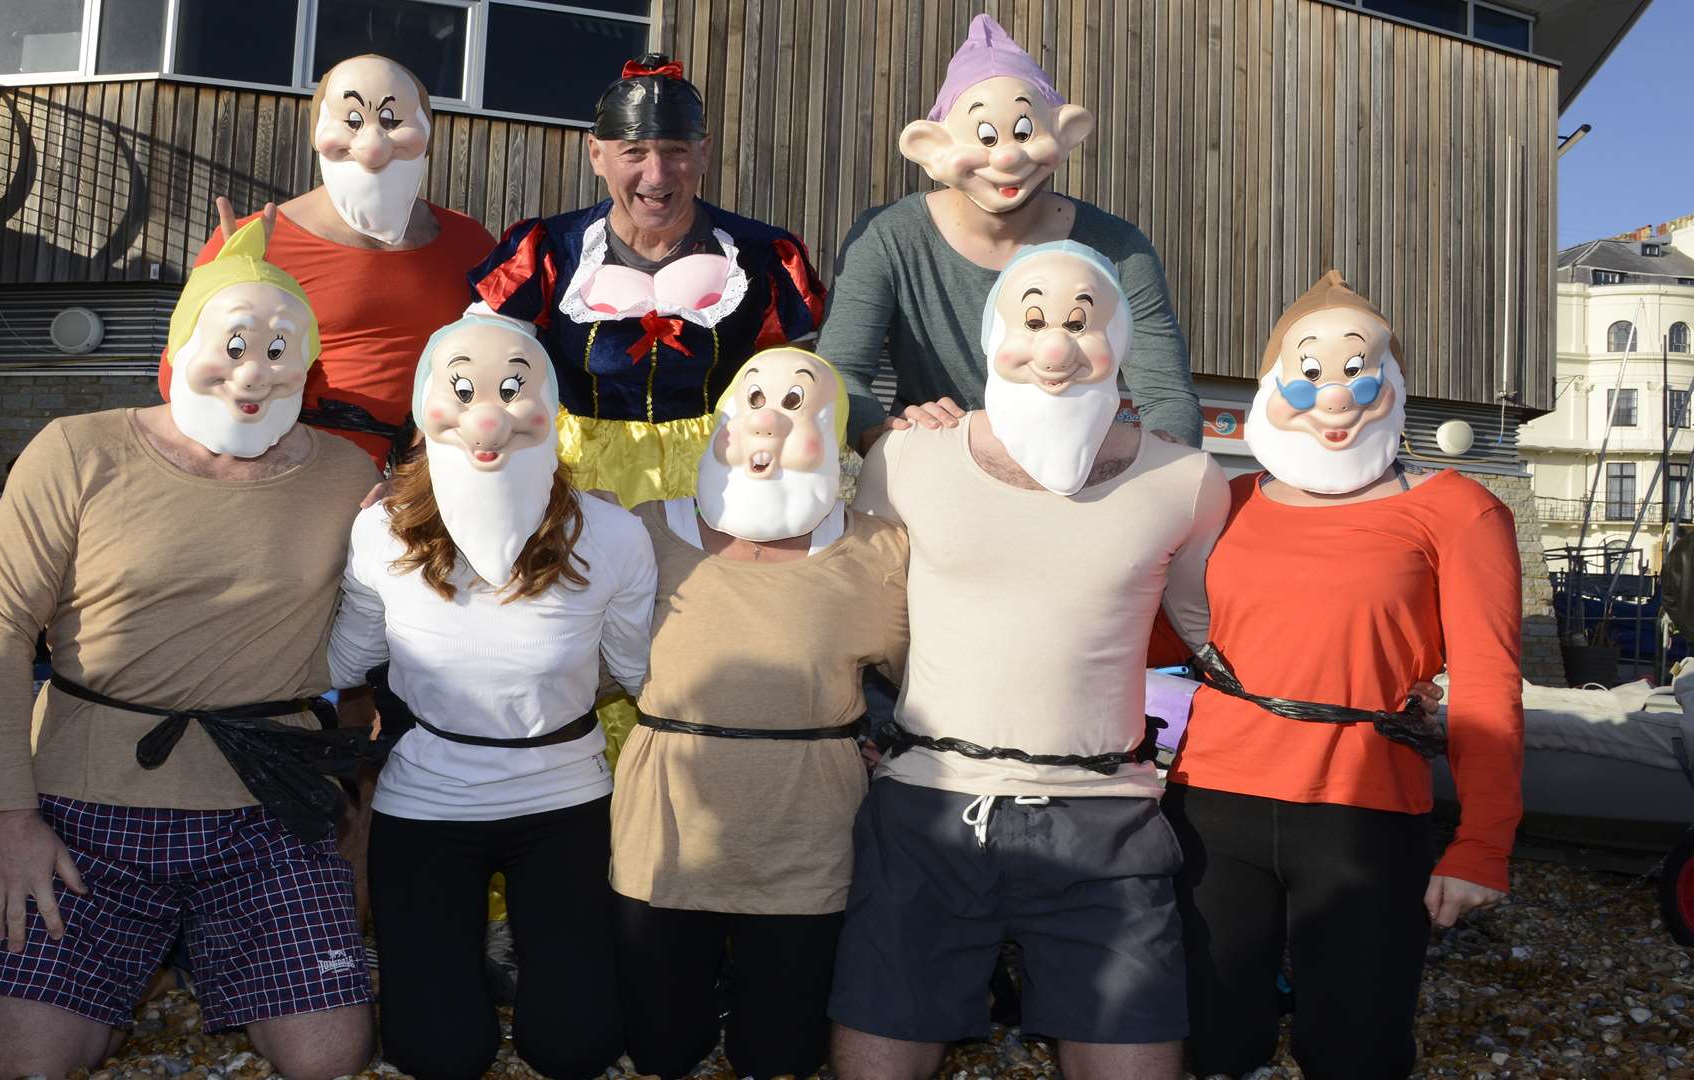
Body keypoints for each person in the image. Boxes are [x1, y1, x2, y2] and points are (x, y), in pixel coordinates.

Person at [0, 220, 379, 1080]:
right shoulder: (77, 450)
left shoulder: (347, 477)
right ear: (182, 340)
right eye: (232, 342)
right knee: (22, 1063)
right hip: (84, 808)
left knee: (332, 1057)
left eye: (278, 347)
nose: (252, 369)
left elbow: (426, 605)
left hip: (269, 808)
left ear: (309, 364)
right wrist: (6, 816)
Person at [828, 242, 1229, 1080]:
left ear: (1118, 336)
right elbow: (871, 619)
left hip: (1107, 821)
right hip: (928, 808)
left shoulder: (1186, 478)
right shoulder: (904, 458)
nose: (1055, 344)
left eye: (1082, 321)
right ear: (991, 333)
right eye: (1032, 318)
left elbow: (1217, 635)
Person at [1163, 271, 1524, 1079]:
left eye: (1358, 367)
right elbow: (1131, 629)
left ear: (1392, 379)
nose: (1334, 393)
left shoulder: (1458, 510)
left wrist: (1482, 845)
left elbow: (1492, 689)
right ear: (1271, 381)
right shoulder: (1223, 501)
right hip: (1214, 807)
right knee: (1211, 1037)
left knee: (1356, 1047)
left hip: (1367, 813)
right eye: (1309, 369)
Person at [328, 314, 657, 1080]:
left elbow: (639, 673)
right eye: (464, 387)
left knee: (574, 1048)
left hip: (563, 800)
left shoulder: (609, 536)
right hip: (427, 803)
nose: (489, 414)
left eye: (513, 389)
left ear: (548, 405)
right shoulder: (381, 533)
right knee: (440, 1054)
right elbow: (350, 656)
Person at [610, 347, 907, 1080]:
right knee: (660, 1051)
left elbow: (925, 677)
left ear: (832, 432)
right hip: (669, 826)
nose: (768, 421)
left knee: (780, 1056)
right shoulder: (642, 532)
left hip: (806, 829)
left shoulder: (878, 552)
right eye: (752, 401)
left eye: (797, 405)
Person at [819, 14, 1202, 453]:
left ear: (1064, 131)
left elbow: (1166, 395)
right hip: (937, 461)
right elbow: (841, 374)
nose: (1005, 156)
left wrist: (1160, 460)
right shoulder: (887, 238)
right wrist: (879, 431)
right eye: (984, 136)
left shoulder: (1117, 249)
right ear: (932, 148)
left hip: (1076, 467)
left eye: (1024, 131)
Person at [470, 54, 826, 509]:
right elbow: (470, 367)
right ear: (597, 154)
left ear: (704, 152)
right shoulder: (547, 251)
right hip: (570, 487)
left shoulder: (764, 256)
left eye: (676, 150)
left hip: (725, 485)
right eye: (634, 152)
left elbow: (801, 384)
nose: (656, 176)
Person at [158, 53, 495, 470]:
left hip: (431, 487)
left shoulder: (471, 241)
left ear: (428, 133)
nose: (372, 146)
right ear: (318, 130)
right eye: (352, 121)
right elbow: (180, 379)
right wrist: (232, 287)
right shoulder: (253, 244)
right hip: (299, 480)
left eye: (391, 121)